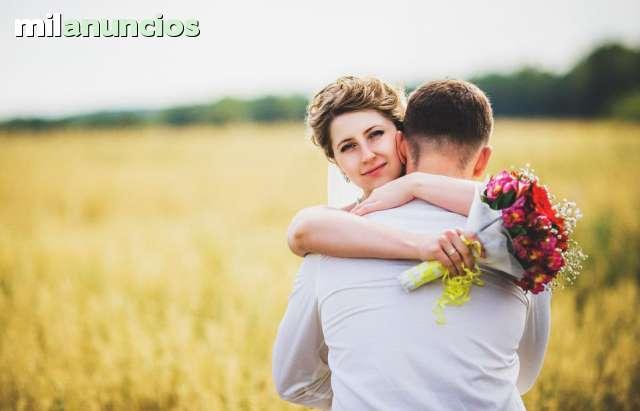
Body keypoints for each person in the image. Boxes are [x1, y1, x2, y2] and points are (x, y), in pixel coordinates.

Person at [272, 77, 550, 410]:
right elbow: (523, 376)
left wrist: (367, 395)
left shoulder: (510, 229)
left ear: (402, 140)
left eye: (376, 134)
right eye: (347, 147)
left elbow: (294, 381)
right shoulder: (512, 237)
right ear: (339, 165)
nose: (368, 154)